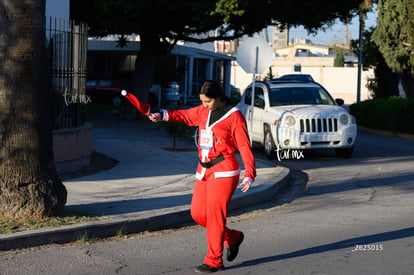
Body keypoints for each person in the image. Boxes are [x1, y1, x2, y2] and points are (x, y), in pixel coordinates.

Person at [149, 80, 256, 273]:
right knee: (197, 213)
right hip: (204, 169)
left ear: (218, 98)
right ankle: (232, 237)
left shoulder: (234, 116)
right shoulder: (203, 111)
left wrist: (249, 174)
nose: (204, 105)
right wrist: (162, 115)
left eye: (207, 101)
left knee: (215, 216)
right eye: (202, 101)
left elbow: (244, 146)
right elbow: (185, 115)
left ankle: (214, 260)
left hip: (224, 170)